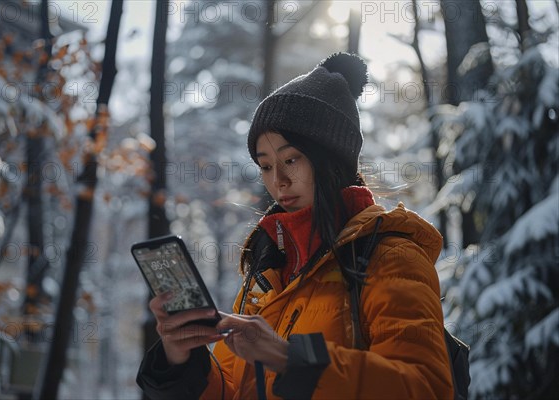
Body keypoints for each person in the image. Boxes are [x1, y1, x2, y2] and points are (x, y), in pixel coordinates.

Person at [137, 53, 454, 399]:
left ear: (330, 158)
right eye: (266, 166)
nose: (279, 181)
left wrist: (289, 358)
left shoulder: (391, 256)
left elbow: (424, 387)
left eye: (291, 160)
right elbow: (233, 390)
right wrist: (181, 357)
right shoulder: (269, 266)